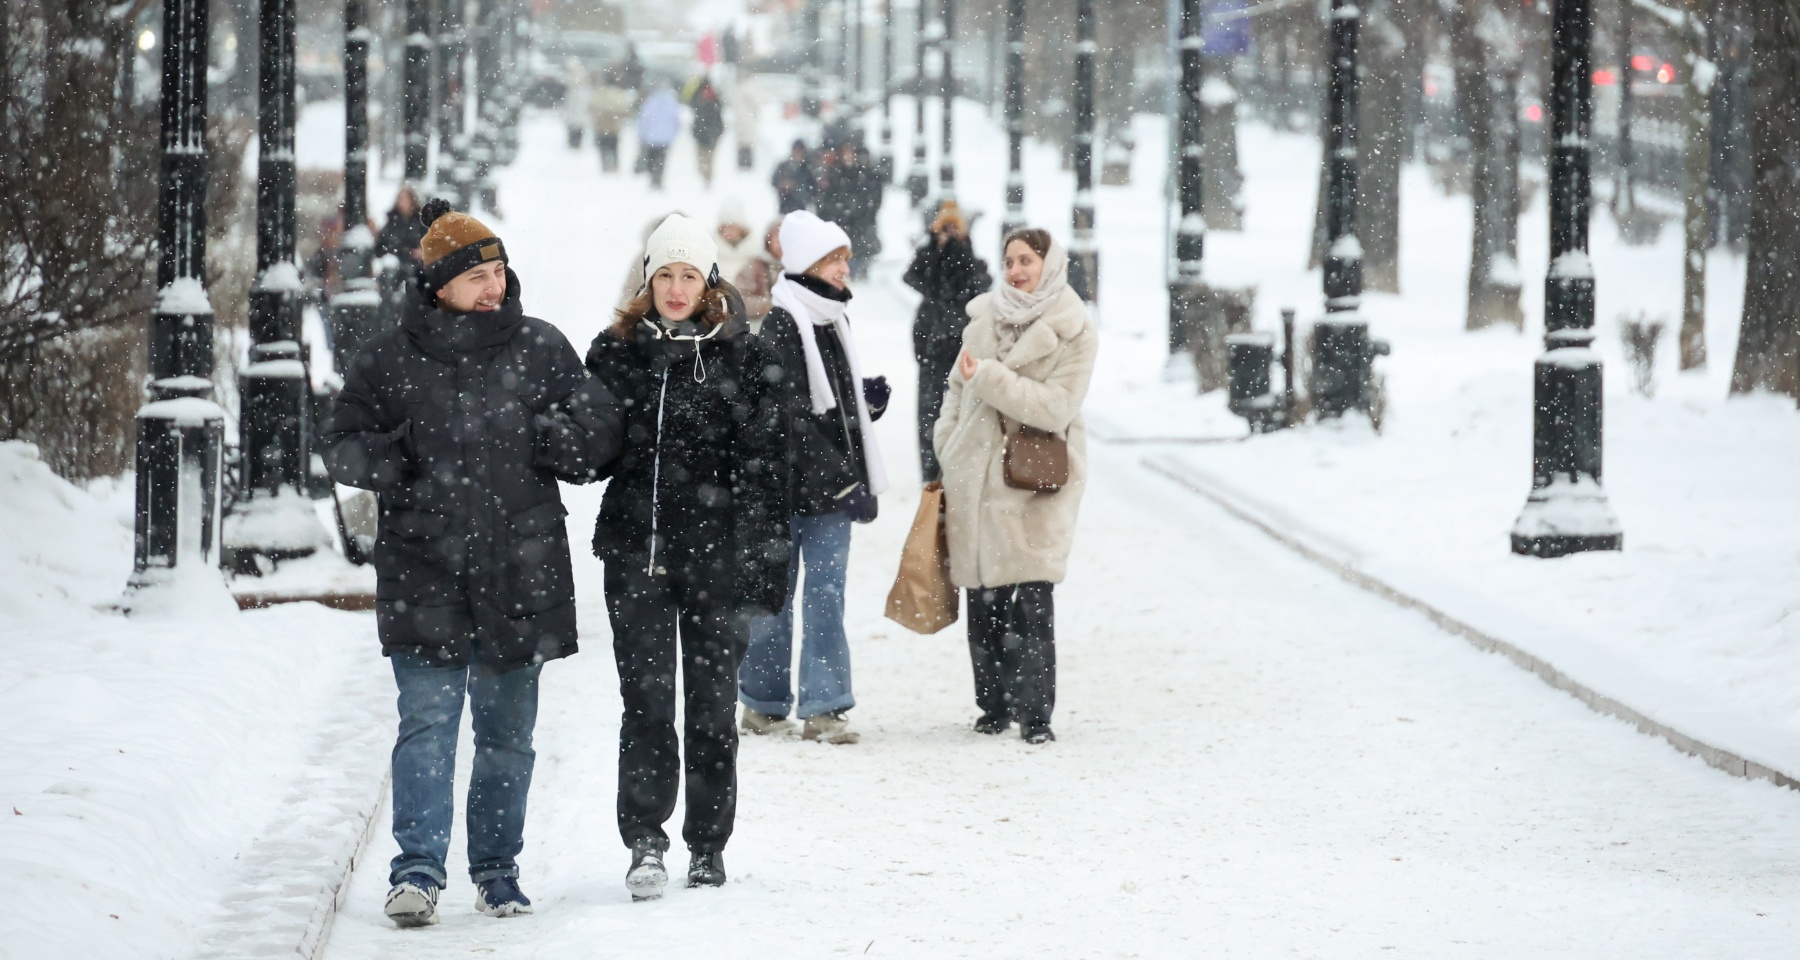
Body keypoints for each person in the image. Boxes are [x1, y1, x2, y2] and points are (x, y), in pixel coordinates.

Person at [322, 200, 623, 926]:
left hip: (521, 568)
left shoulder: (541, 348)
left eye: (499, 272)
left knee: (507, 733)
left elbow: (602, 431)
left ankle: (496, 870)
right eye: (478, 276)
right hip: (422, 566)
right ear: (440, 284)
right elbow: (344, 442)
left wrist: (553, 441)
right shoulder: (389, 357)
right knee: (426, 721)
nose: (494, 287)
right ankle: (418, 870)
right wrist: (404, 460)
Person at [584, 214, 790, 900]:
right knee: (644, 702)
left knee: (710, 706)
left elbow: (765, 467)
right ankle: (645, 839)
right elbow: (593, 454)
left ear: (710, 281)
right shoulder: (616, 353)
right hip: (637, 554)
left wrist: (763, 558)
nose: (676, 287)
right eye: (665, 273)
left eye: (689, 274)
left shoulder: (742, 354)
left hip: (717, 559)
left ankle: (708, 844)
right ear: (648, 279)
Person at [932, 228, 1096, 746]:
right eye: (1009, 261)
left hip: (1034, 480)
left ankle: (1035, 713)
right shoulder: (982, 320)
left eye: (1027, 260)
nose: (1017, 270)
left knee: (1031, 596)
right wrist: (948, 441)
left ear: (1049, 264)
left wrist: (991, 379)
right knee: (984, 597)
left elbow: (1055, 407)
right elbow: (955, 387)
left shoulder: (1074, 329)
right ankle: (993, 704)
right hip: (975, 476)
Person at [739, 210, 891, 746]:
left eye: (846, 257)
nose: (846, 267)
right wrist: (843, 480)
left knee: (826, 594)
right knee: (776, 597)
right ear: (809, 263)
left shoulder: (830, 317)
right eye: (836, 258)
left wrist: (861, 402)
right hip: (783, 490)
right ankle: (762, 702)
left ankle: (823, 706)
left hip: (824, 489)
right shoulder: (784, 322)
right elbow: (790, 416)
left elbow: (824, 402)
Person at [903, 201, 991, 482]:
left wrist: (961, 246)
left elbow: (979, 283)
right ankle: (931, 470)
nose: (950, 233)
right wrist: (933, 245)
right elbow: (914, 277)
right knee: (929, 411)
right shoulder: (931, 258)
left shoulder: (969, 258)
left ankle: (956, 468)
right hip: (932, 344)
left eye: (955, 228)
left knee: (961, 408)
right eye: (946, 228)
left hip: (960, 344)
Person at [733, 221, 783, 329]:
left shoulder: (801, 269)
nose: (781, 242)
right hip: (760, 329)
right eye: (777, 237)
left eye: (785, 237)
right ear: (768, 240)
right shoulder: (754, 267)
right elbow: (739, 300)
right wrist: (770, 305)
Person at [637, 86, 682, 190]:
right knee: (661, 159)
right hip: (666, 138)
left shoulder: (650, 103)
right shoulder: (671, 104)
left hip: (651, 138)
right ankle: (658, 177)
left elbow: (643, 119)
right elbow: (676, 120)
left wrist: (642, 134)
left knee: (652, 158)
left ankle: (653, 176)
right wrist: (674, 133)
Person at [588, 73, 635, 173]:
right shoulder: (618, 94)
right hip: (614, 127)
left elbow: (590, 107)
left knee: (603, 148)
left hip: (601, 126)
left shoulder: (598, 93)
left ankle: (605, 166)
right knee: (613, 148)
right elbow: (625, 110)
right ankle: (614, 166)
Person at [687, 76, 726, 186]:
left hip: (701, 131)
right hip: (713, 132)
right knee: (710, 156)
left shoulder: (698, 97)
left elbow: (693, 106)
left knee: (701, 154)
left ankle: (703, 172)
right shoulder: (715, 97)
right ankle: (707, 176)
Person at [375, 184, 426, 265]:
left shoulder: (421, 222)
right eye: (401, 199)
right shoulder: (391, 222)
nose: (403, 202)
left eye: (406, 199)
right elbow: (382, 246)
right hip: (395, 264)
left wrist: (423, 252)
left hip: (416, 266)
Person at [771, 140, 817, 214]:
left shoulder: (807, 169)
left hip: (800, 209)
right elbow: (774, 181)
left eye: (799, 151)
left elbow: (812, 190)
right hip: (784, 206)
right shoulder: (783, 166)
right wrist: (782, 185)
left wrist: (795, 188)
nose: (797, 153)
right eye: (796, 150)